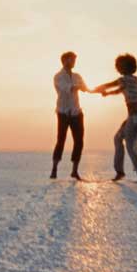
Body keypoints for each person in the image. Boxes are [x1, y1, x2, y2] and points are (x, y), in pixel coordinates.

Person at [93, 53, 137, 184]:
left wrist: (94, 89)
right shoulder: (132, 80)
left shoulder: (126, 79)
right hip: (135, 115)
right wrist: (107, 94)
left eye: (119, 65)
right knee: (118, 138)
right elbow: (120, 90)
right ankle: (120, 172)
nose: (117, 67)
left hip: (136, 116)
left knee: (132, 146)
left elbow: (111, 84)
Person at [51, 51, 89, 180]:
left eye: (74, 59)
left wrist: (93, 89)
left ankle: (74, 171)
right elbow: (67, 88)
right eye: (71, 59)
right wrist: (79, 86)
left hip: (76, 112)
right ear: (65, 60)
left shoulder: (77, 76)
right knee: (61, 140)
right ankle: (54, 168)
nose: (74, 62)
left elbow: (84, 87)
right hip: (63, 112)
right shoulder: (58, 76)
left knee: (79, 141)